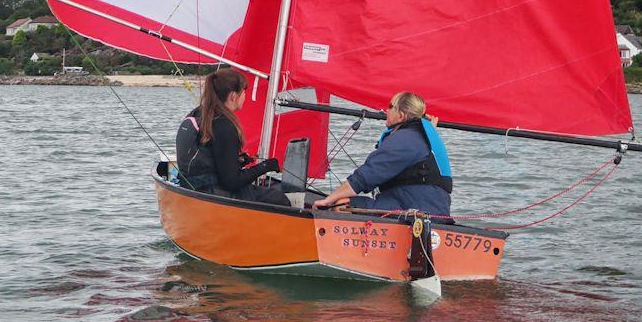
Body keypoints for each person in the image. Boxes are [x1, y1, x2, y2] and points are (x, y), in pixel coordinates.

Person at [313, 92, 452, 215]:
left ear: (401, 115)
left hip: (416, 209)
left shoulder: (406, 139)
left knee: (342, 206)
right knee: (346, 202)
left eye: (391, 106)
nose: (386, 110)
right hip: (411, 203)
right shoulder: (419, 134)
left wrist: (328, 200)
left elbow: (365, 177)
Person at [176, 69, 290, 207]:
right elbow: (231, 182)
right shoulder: (224, 125)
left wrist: (239, 161)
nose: (245, 97)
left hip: (190, 190)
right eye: (244, 92)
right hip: (212, 196)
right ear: (233, 96)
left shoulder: (198, 113)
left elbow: (207, 159)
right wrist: (268, 166)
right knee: (279, 198)